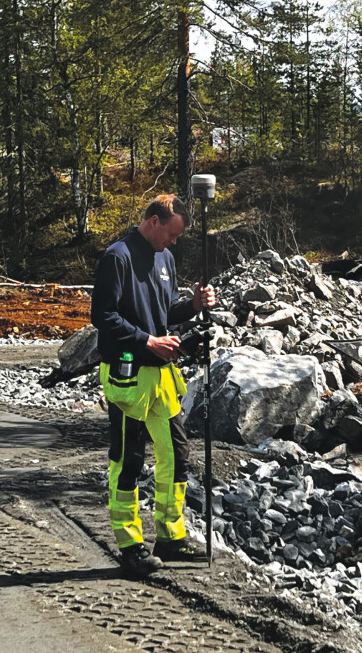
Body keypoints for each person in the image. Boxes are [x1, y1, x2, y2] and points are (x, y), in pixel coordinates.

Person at [91, 193, 216, 578]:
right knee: (128, 461)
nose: (174, 242)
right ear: (154, 221)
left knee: (177, 455)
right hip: (128, 376)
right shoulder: (118, 257)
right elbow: (102, 315)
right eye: (172, 235)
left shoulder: (165, 258)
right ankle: (130, 546)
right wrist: (147, 341)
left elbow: (163, 314)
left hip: (162, 376)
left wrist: (193, 306)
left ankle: (170, 536)